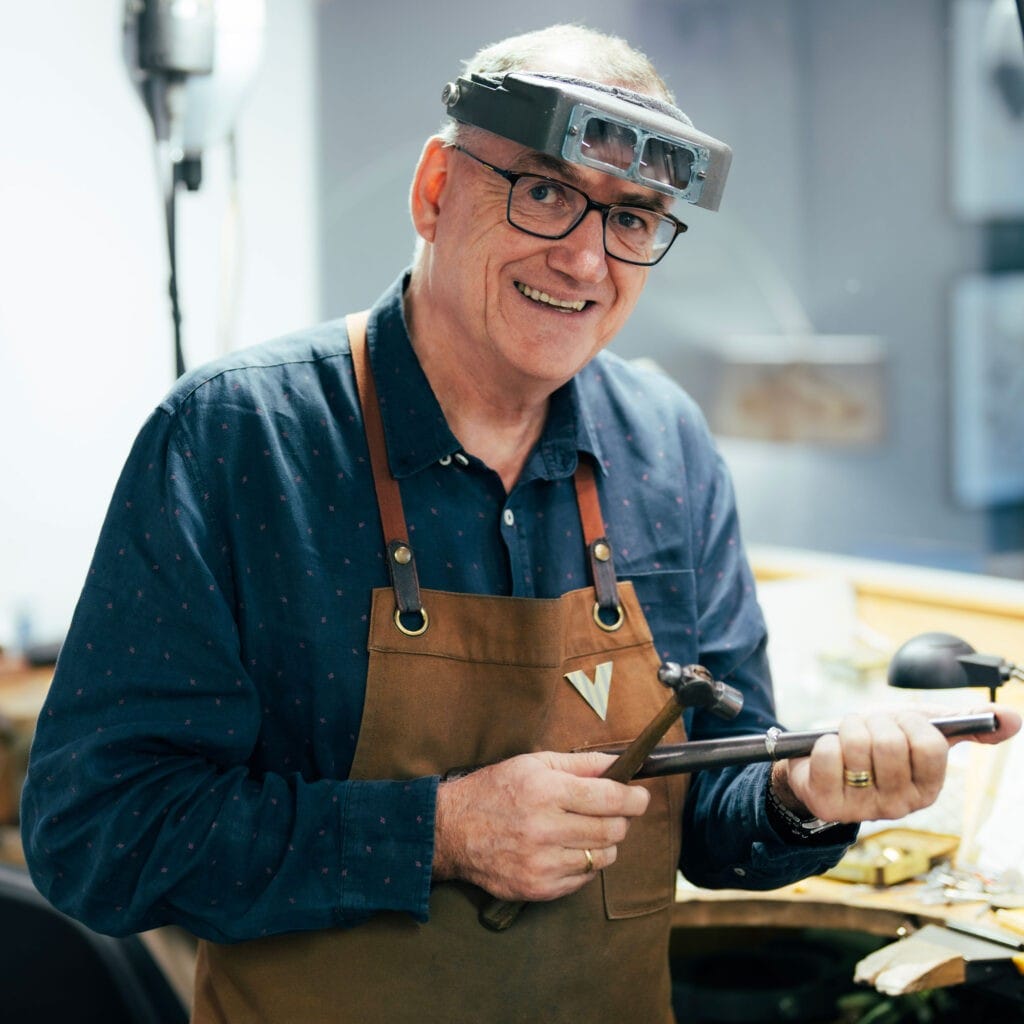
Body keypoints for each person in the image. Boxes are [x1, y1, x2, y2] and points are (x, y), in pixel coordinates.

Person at [21, 23, 1020, 1024]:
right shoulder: (237, 438)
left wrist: (806, 794)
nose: (585, 256)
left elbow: (714, 818)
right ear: (434, 190)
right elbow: (95, 834)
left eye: (634, 218)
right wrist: (439, 831)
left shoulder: (666, 449)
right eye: (544, 192)